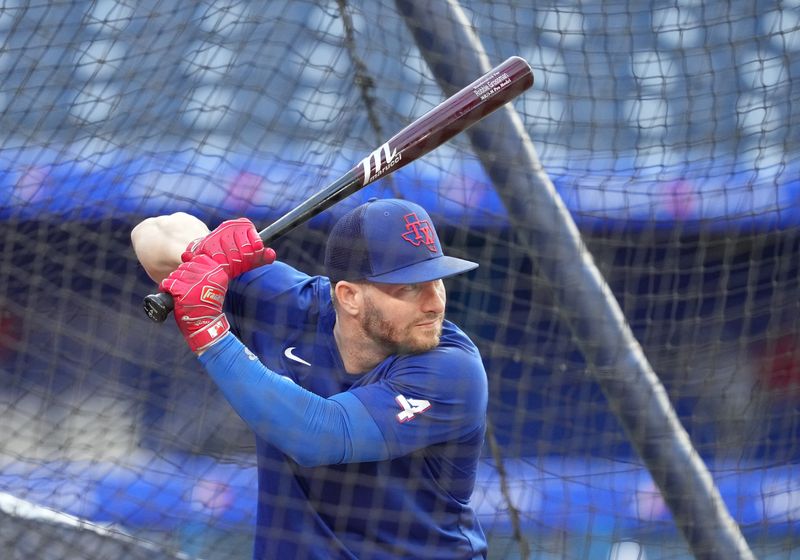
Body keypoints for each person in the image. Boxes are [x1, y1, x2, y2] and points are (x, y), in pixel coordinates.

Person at [131, 198, 489, 559]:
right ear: (349, 296)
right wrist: (202, 251)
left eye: (436, 281)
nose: (434, 303)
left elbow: (319, 436)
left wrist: (210, 334)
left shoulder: (452, 368)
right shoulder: (290, 304)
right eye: (408, 288)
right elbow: (152, 234)